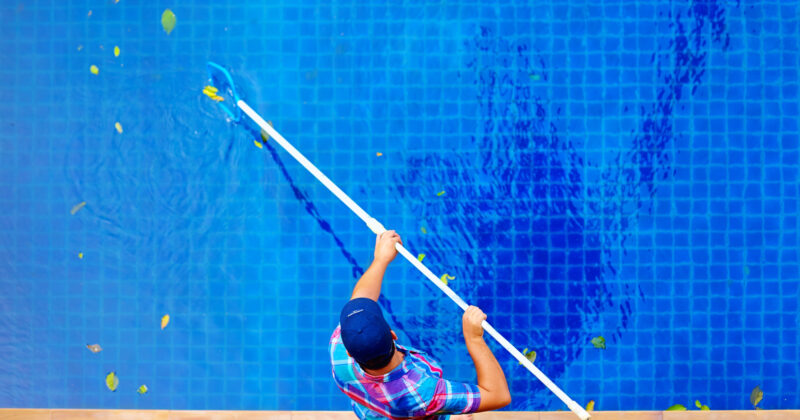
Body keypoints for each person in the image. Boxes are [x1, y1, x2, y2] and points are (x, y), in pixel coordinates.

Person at [329, 230, 511, 419]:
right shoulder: (422, 391)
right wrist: (474, 338)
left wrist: (380, 260)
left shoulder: (339, 351)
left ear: (350, 351)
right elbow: (498, 395)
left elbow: (360, 300)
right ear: (393, 335)